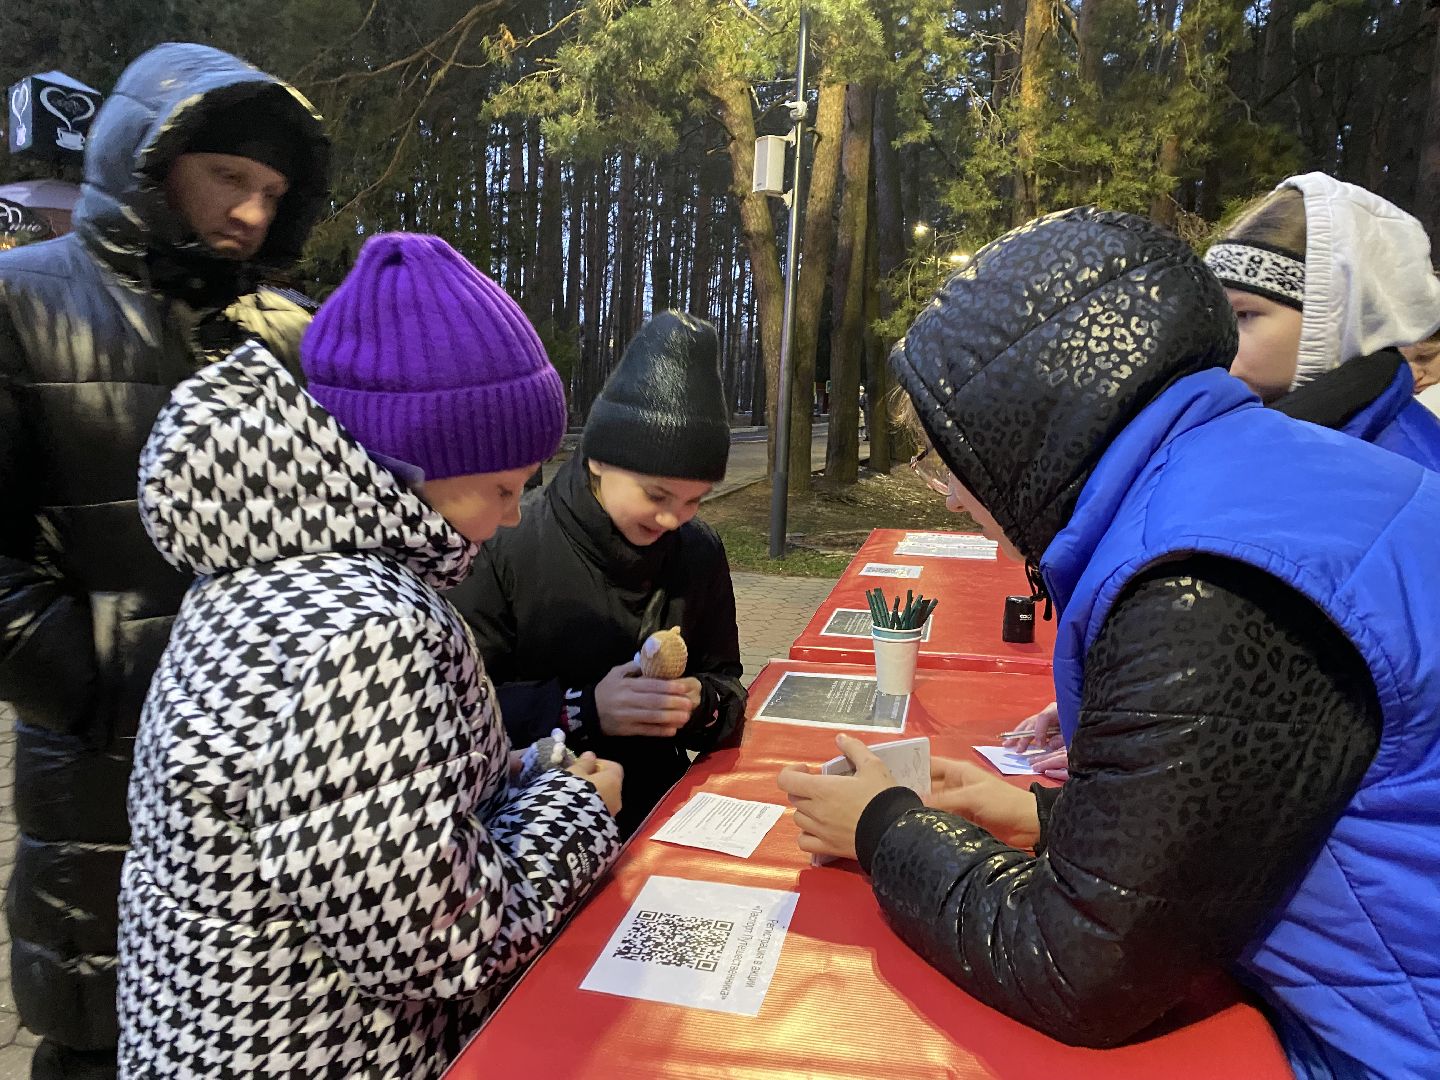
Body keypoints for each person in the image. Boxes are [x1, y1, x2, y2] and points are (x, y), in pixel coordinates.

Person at [778, 207, 1440, 1077]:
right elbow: (1235, 819)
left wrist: (884, 828)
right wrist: (1042, 815)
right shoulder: (1256, 480)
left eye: (951, 466)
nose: (950, 499)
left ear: (1023, 441)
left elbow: (1081, 969)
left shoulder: (1204, 585)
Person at [117, 233, 623, 1079]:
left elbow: (367, 813)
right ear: (409, 463)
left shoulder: (273, 566)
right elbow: (432, 943)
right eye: (501, 488)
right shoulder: (365, 631)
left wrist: (525, 771)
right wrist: (573, 815)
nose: (511, 518)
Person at [0, 43, 329, 1078]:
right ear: (154, 154)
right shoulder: (20, 302)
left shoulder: (285, 332)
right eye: (230, 177)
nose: (251, 214)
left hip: (265, 792)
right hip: (97, 782)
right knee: (95, 1044)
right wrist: (113, 685)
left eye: (273, 192)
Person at [451, 311, 746, 838]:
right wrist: (581, 710)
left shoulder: (697, 550)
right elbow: (455, 713)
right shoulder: (503, 546)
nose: (673, 518)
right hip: (532, 822)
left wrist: (701, 705)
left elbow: (725, 681)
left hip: (664, 815)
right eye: (656, 495)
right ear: (598, 463)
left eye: (695, 500)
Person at [1204, 172, 1440, 468]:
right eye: (1214, 315)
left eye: (1244, 315)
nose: (1217, 341)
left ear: (1334, 321)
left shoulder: (1418, 472)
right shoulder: (1225, 427)